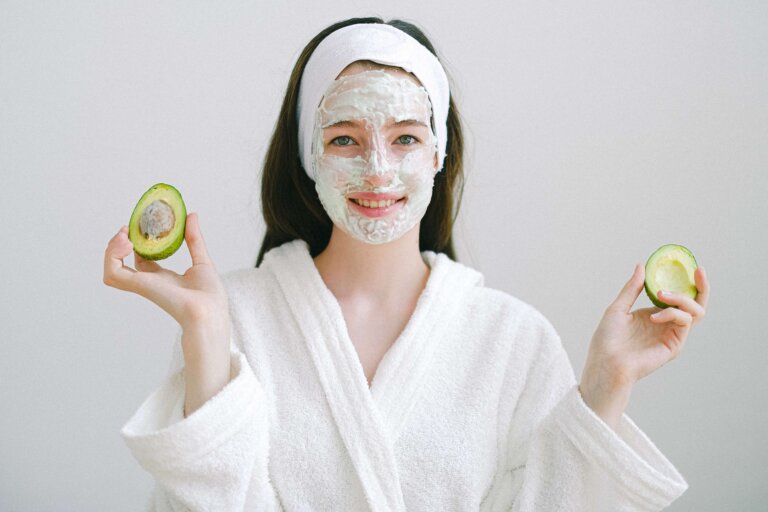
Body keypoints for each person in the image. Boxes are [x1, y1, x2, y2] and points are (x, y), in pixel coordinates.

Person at [103, 17, 710, 511]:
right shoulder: (239, 317)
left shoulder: (513, 339)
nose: (377, 170)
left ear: (440, 152)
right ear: (310, 155)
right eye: (344, 138)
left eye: (405, 139)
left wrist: (606, 384)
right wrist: (207, 335)